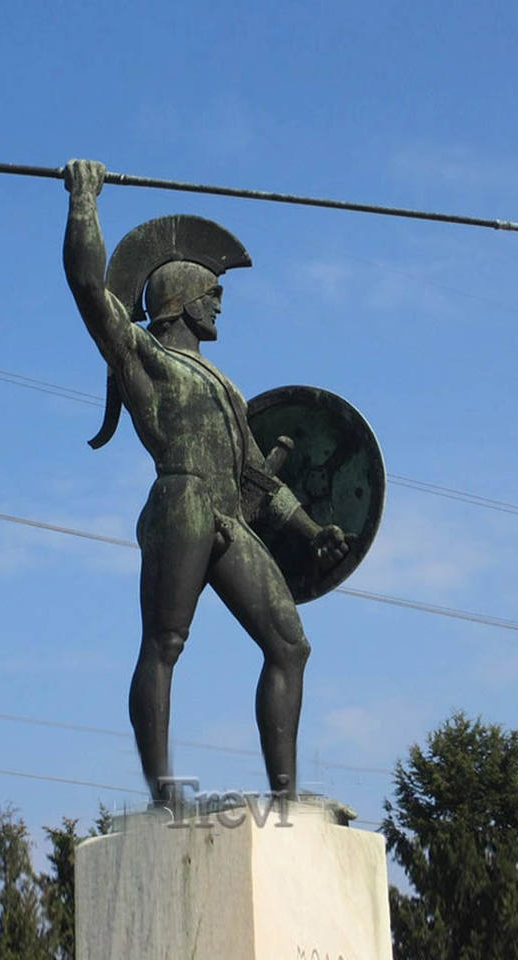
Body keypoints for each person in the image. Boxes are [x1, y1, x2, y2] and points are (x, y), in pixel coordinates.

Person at [63, 159, 349, 804]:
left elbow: (257, 476)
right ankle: (163, 796)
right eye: (212, 292)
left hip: (227, 515)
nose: (221, 302)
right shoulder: (144, 356)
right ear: (181, 300)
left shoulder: (226, 385)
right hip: (181, 501)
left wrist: (311, 532)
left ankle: (286, 799)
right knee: (165, 643)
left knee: (290, 645)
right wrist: (84, 199)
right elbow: (87, 289)